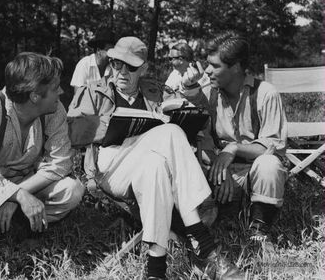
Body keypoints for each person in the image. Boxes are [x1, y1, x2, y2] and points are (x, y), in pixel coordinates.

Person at [67, 36, 245, 280]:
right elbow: (72, 131)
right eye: (116, 64)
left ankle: (156, 271)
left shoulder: (156, 91)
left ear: (144, 69)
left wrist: (191, 93)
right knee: (169, 132)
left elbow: (203, 118)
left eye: (131, 67)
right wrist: (113, 124)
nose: (122, 72)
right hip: (111, 169)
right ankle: (203, 244)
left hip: (148, 166)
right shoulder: (94, 91)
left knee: (156, 166)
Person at [0, 52, 85, 277]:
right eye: (55, 88)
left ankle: (18, 222)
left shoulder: (55, 110)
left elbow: (59, 163)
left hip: (29, 181)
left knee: (72, 191)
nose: (60, 93)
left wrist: (16, 196)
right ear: (34, 96)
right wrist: (16, 195)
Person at [181, 31, 287, 245]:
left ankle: (259, 229)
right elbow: (198, 137)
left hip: (254, 174)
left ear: (236, 66)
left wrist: (234, 149)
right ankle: (225, 215)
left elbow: (274, 145)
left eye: (215, 65)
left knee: (269, 164)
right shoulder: (209, 93)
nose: (208, 71)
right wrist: (221, 171)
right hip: (219, 173)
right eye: (207, 64)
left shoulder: (265, 93)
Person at [70, 28, 116, 92]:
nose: (112, 54)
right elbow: (78, 94)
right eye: (109, 50)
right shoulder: (84, 64)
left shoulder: (113, 66)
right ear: (98, 50)